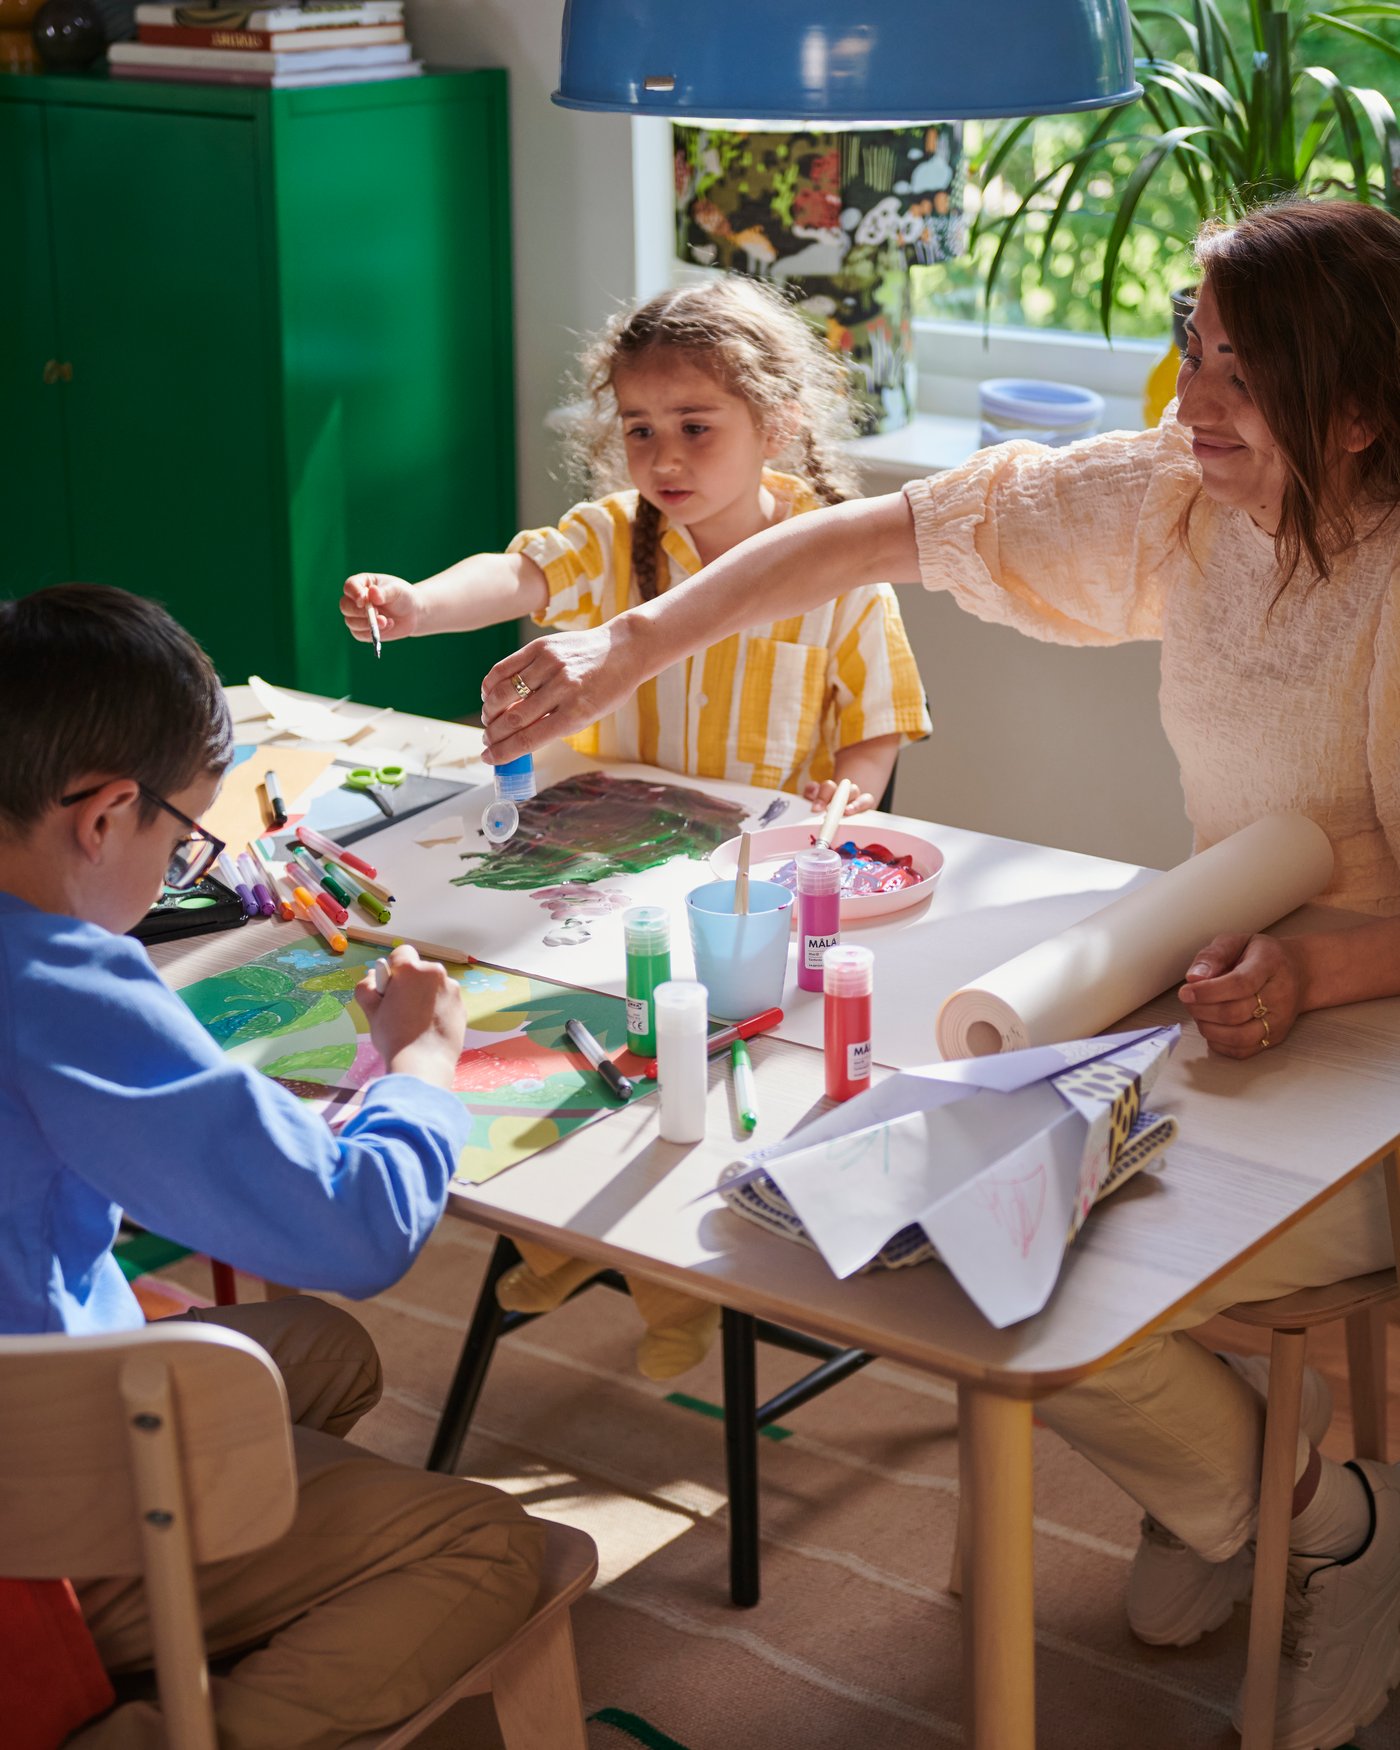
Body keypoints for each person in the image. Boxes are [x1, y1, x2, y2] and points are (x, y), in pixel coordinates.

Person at [476, 199, 1400, 1749]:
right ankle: (1263, 1490)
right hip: (1218, 978)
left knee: (1068, 1289)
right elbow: (874, 533)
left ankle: (1327, 1528)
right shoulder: (1190, 499)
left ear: (1362, 410)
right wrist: (627, 642)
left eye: (1247, 369)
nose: (1200, 397)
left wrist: (1318, 978)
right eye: (1198, 346)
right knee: (956, 1230)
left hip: (1368, 1048)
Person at [341, 277, 931, 1380]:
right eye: (640, 430)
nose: (664, 457)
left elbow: (878, 720)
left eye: (696, 427)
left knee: (693, 1074)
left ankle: (675, 1285)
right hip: (599, 866)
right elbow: (516, 572)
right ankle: (564, 1237)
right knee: (566, 1047)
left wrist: (854, 791)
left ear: (779, 422)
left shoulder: (834, 558)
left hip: (744, 886)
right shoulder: (614, 537)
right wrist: (416, 600)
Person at [0, 585, 546, 1750]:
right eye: (183, 836)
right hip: (26, 1518)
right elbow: (355, 1231)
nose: (183, 864)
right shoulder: (59, 988)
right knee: (493, 1541)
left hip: (39, 1378)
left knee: (319, 1357)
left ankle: (240, 1602)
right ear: (101, 817)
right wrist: (419, 1064)